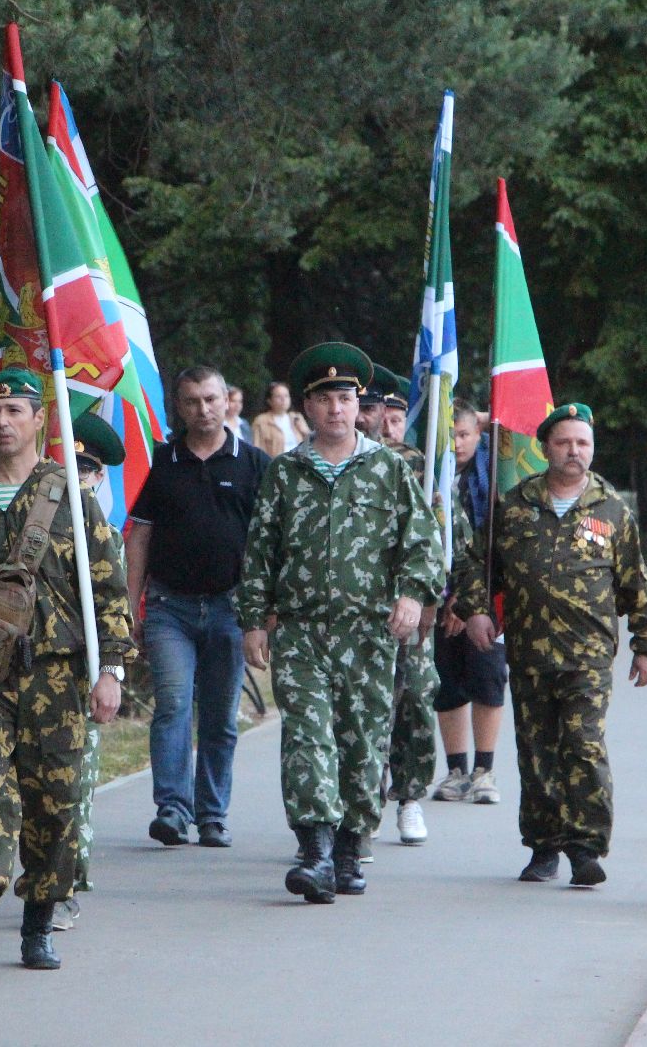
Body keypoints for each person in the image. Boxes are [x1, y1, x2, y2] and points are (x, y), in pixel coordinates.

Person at [0, 368, 134, 976]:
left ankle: (39, 921)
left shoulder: (69, 493)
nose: (2, 422)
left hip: (58, 675)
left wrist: (111, 671)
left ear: (39, 418)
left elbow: (108, 590)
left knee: (55, 801)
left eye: (15, 410)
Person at [238, 344, 442, 903]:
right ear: (306, 406)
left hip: (368, 632)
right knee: (306, 737)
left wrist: (410, 595)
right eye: (325, 397)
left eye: (345, 397)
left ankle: (351, 847)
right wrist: (254, 620)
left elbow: (422, 544)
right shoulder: (286, 473)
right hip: (302, 631)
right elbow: (260, 552)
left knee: (361, 741)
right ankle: (316, 849)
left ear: (360, 405)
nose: (336, 408)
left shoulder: (389, 469)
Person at [453, 403, 647, 887]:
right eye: (565, 442)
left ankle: (586, 848)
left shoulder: (613, 510)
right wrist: (476, 611)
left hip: (587, 655)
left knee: (583, 744)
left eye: (583, 443)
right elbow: (474, 565)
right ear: (546, 448)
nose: (575, 451)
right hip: (529, 651)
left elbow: (636, 581)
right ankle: (543, 846)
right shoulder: (512, 505)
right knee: (536, 751)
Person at [128, 367, 269, 849]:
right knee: (172, 704)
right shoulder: (162, 461)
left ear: (228, 401)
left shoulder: (254, 463)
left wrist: (263, 615)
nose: (203, 410)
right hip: (170, 606)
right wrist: (132, 606)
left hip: (232, 606)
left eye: (211, 399)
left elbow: (269, 544)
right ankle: (172, 807)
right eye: (192, 402)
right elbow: (140, 534)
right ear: (179, 407)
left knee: (219, 715)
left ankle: (212, 814)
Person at [55, 411, 127, 931]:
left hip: (83, 672)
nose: (78, 477)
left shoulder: (106, 536)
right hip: (34, 668)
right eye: (69, 466)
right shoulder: (34, 523)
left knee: (73, 782)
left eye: (88, 469)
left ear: (101, 477)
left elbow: (113, 607)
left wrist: (113, 674)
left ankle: (64, 884)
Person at [372, 367, 442, 849]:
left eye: (387, 410)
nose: (377, 417)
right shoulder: (325, 463)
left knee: (416, 696)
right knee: (360, 707)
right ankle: (361, 804)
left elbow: (435, 532)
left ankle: (410, 795)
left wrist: (434, 597)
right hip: (354, 606)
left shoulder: (414, 464)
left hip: (410, 600)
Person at [433, 398, 508, 805]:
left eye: (464, 434)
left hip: (484, 597)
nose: (458, 443)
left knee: (487, 678)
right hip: (436, 597)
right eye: (450, 435)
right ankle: (456, 769)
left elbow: (493, 547)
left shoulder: (494, 478)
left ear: (479, 435)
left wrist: (467, 601)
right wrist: (445, 599)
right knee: (446, 682)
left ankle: (484, 769)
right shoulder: (428, 476)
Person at [250, 380, 310, 457]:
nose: (283, 399)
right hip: (275, 465)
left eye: (286, 396)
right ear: (269, 401)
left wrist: (304, 431)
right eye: (278, 396)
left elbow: (313, 444)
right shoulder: (261, 421)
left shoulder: (296, 417)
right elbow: (256, 448)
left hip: (299, 464)